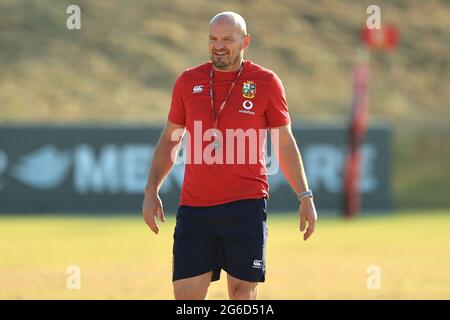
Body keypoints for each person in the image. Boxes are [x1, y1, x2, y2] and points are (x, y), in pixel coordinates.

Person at [142, 11, 317, 300]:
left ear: (245, 41)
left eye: (227, 39)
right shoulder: (188, 81)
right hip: (195, 209)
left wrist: (305, 196)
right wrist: (151, 190)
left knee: (242, 294)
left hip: (245, 207)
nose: (218, 45)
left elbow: (284, 143)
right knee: (186, 297)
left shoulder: (266, 82)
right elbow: (169, 140)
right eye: (213, 38)